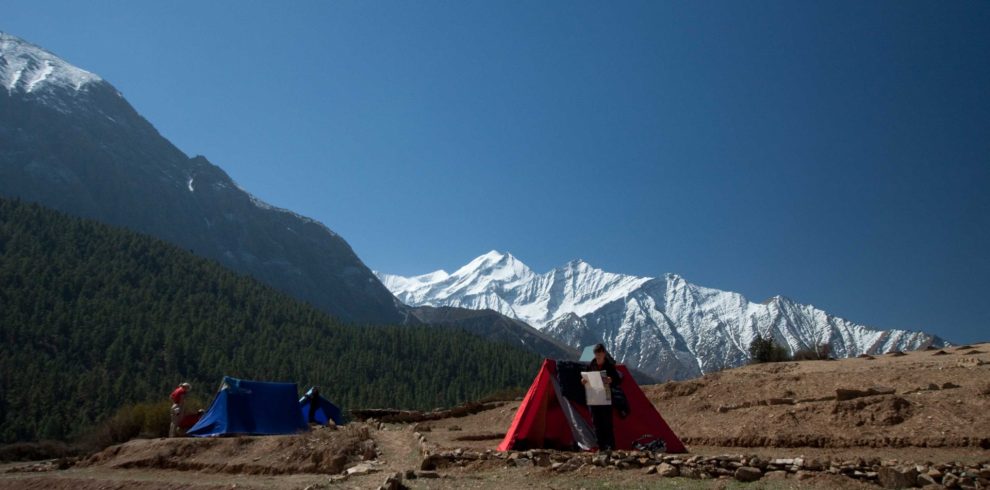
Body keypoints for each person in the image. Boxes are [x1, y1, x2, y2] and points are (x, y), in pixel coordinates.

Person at [581, 344, 622, 450]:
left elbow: (618, 380)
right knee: (596, 424)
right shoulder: (590, 365)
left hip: (605, 398)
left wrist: (611, 380)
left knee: (607, 423)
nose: (597, 356)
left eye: (599, 354)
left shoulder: (609, 366)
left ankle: (611, 447)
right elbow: (585, 379)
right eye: (596, 354)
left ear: (604, 354)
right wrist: (583, 381)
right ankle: (601, 447)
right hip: (593, 397)